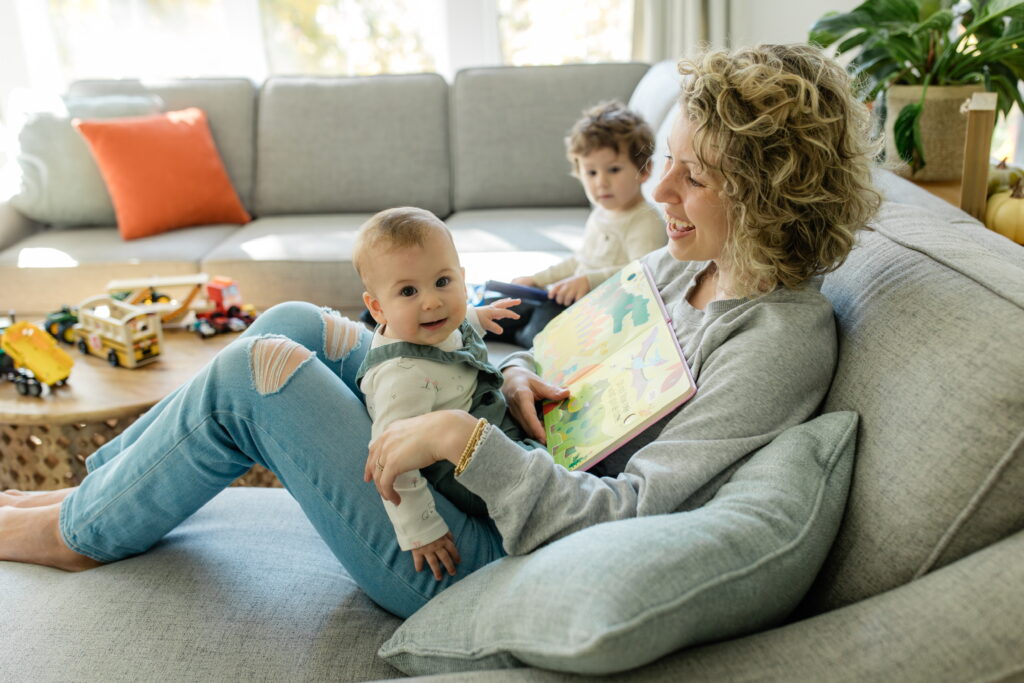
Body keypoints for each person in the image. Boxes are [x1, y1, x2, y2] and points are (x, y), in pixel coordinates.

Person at [0, 44, 880, 621]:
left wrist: (462, 438)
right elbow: (570, 361)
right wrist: (521, 375)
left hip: (476, 545)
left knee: (255, 371)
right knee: (296, 321)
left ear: (767, 194)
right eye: (669, 163)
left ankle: (75, 533)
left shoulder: (776, 342)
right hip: (497, 461)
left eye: (693, 176)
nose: (658, 192)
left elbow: (634, 516)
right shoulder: (693, 263)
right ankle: (99, 497)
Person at [352, 206, 525, 579]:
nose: (432, 302)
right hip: (460, 471)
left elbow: (455, 327)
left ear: (462, 278)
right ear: (377, 308)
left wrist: (479, 316)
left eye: (443, 282)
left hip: (479, 414)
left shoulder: (429, 325)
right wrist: (422, 530)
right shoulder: (402, 378)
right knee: (538, 471)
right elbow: (392, 462)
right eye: (408, 291)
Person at [490, 100, 668, 347]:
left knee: (538, 333)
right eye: (591, 173)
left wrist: (588, 280)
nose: (601, 182)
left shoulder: (644, 221)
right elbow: (580, 260)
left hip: (600, 313)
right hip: (570, 299)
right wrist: (537, 279)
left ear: (644, 170)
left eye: (614, 170)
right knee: (503, 306)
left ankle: (521, 339)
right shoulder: (601, 213)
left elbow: (644, 274)